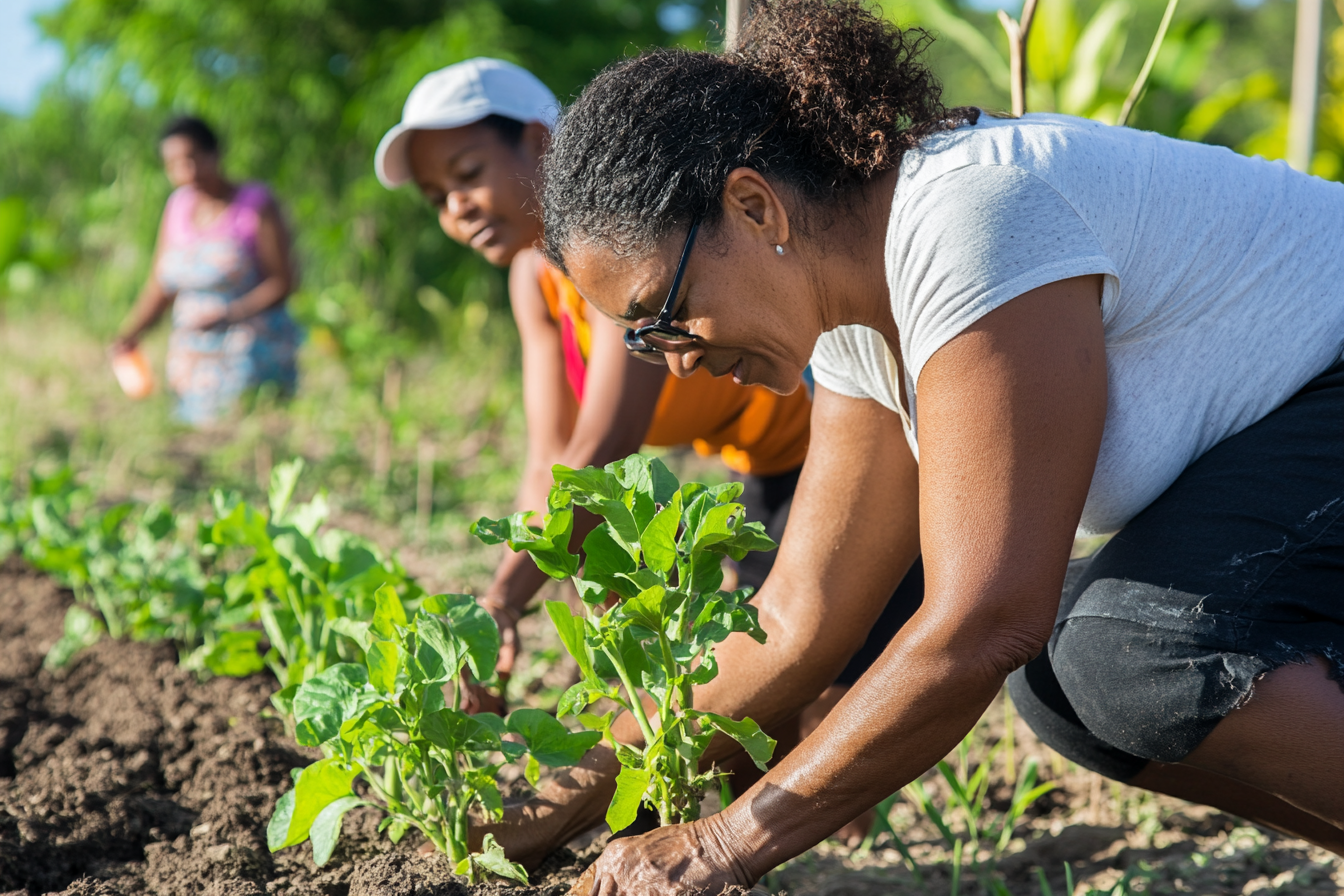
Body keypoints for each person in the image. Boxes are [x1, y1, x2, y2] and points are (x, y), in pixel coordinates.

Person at [477, 0, 1344, 890]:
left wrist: (724, 843)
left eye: (665, 314)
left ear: (754, 206)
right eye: (643, 343)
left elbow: (983, 619)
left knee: (1137, 653)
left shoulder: (971, 223)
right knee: (1062, 689)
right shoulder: (855, 312)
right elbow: (793, 623)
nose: (679, 359)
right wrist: (548, 806)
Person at [373, 59, 926, 789]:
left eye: (467, 171)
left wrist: (505, 598)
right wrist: (507, 605)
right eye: (437, 196)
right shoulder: (531, 282)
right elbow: (554, 460)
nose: (457, 208)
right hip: (757, 471)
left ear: (539, 146)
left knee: (824, 694)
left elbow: (605, 448)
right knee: (756, 705)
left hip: (835, 451)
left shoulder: (621, 257)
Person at [113, 116, 301, 427]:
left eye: (192, 159)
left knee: (245, 438)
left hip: (251, 355)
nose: (186, 172)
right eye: (173, 164)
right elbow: (162, 283)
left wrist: (230, 314)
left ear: (215, 154)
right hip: (192, 364)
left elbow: (283, 282)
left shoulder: (255, 205)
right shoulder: (177, 207)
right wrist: (131, 333)